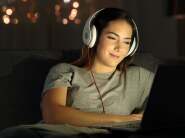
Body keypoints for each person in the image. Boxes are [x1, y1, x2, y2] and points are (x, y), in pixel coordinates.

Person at [0, 7, 155, 138]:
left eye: (127, 42)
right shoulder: (65, 71)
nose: (119, 47)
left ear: (132, 47)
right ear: (92, 37)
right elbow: (53, 114)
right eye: (112, 38)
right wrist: (122, 120)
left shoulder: (141, 77)